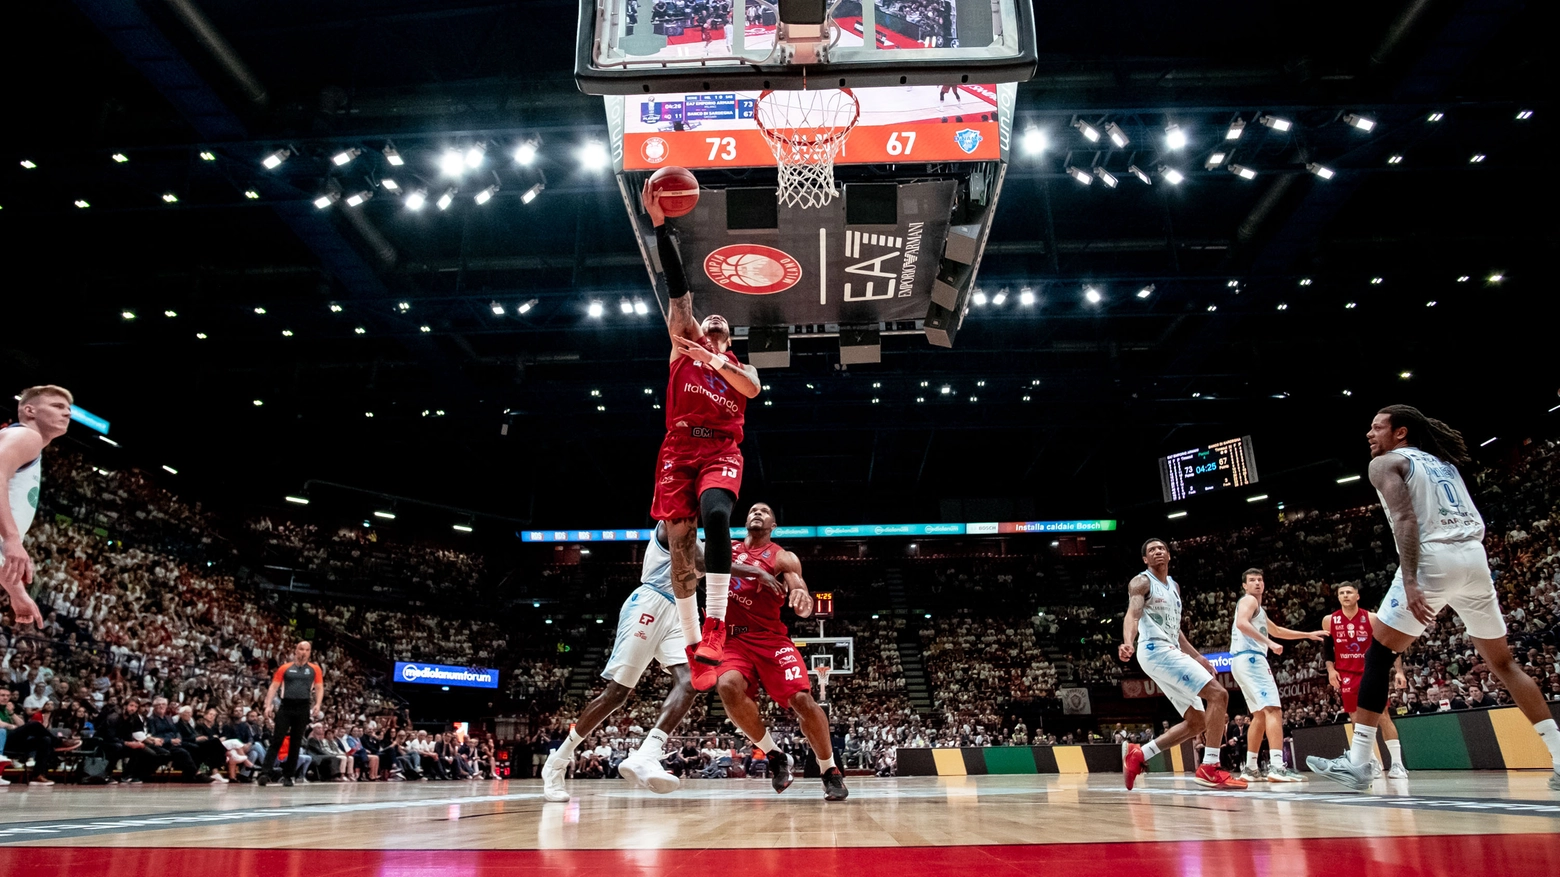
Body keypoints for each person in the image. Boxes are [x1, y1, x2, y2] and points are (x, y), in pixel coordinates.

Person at [1310, 406, 1560, 791]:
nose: (1369, 434)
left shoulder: (1385, 464)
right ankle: (1559, 756)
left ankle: (1359, 761)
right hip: (1474, 558)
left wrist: (1410, 578)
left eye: (1377, 427)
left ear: (1400, 433)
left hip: (1433, 559)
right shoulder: (1443, 464)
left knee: (1378, 652)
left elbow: (1407, 519)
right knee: (1504, 663)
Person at [641, 179, 762, 682]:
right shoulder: (681, 347)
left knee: (716, 515)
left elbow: (751, 389)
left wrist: (713, 358)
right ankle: (696, 648)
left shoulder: (738, 367)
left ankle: (715, 625)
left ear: (729, 337)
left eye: (720, 325)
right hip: (678, 447)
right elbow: (679, 290)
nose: (709, 323)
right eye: (705, 323)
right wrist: (661, 227)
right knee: (680, 547)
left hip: (720, 453)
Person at [710, 502, 849, 800]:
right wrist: (755, 573)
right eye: (752, 510)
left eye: (764, 511)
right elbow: (702, 561)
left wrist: (801, 594)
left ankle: (829, 770)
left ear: (773, 525)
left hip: (770, 639)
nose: (757, 513)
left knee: (801, 699)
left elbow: (797, 582)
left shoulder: (781, 556)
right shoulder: (727, 548)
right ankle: (775, 755)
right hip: (733, 638)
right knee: (727, 686)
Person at [1119, 538, 1247, 790]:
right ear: (1145, 559)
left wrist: (1197, 656)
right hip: (1155, 649)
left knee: (1198, 721)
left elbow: (1175, 630)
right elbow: (1132, 614)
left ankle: (1139, 755)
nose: (1157, 552)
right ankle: (1210, 766)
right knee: (1219, 695)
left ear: (1168, 555)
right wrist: (1128, 642)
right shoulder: (1142, 582)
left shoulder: (1174, 587)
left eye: (1161, 548)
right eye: (1151, 550)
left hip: (1168, 649)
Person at [1228, 568, 1323, 783]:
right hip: (1252, 659)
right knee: (1273, 709)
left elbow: (1277, 630)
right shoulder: (1249, 601)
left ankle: (1251, 768)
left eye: (1260, 580)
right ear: (1244, 585)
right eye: (1252, 580)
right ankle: (1277, 767)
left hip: (1242, 662)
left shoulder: (1259, 610)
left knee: (1260, 716)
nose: (1257, 583)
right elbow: (1241, 624)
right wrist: (1268, 643)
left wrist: (1307, 634)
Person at [1, 385, 73, 627]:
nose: (67, 413)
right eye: (57, 406)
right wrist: (12, 538)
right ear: (30, 410)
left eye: (68, 409)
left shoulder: (26, 445)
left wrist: (18, 593)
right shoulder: (26, 437)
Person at [1322, 582, 1409, 779]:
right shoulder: (1329, 620)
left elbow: (1390, 645)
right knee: (1355, 719)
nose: (1345, 595)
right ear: (1338, 597)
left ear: (1357, 596)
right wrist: (1330, 670)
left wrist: (1399, 671)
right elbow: (1327, 649)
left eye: (1349, 592)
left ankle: (1397, 764)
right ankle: (1371, 763)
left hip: (1371, 672)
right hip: (1346, 674)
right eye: (1342, 593)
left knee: (1383, 715)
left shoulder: (1371, 618)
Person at [258, 639, 324, 787]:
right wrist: (267, 705)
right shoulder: (285, 668)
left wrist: (318, 704)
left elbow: (319, 688)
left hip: (303, 706)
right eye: (301, 649)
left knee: (296, 742)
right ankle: (264, 773)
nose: (304, 652)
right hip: (286, 705)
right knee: (277, 739)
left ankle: (288, 776)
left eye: (307, 650)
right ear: (295, 651)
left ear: (310, 652)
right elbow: (274, 686)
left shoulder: (314, 669)